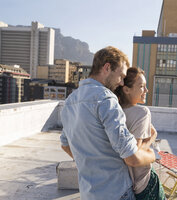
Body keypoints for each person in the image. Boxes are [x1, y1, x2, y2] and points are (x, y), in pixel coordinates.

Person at [60, 46, 156, 200]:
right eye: (121, 76)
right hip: (117, 192)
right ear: (107, 67)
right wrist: (153, 155)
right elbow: (132, 158)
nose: (121, 82)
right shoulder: (106, 99)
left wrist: (90, 164)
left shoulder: (69, 102)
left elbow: (65, 145)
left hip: (88, 194)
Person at [114, 67, 165, 200]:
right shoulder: (142, 113)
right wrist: (151, 150)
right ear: (126, 89)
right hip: (144, 182)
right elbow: (135, 154)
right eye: (142, 86)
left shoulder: (114, 111)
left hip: (124, 183)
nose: (146, 91)